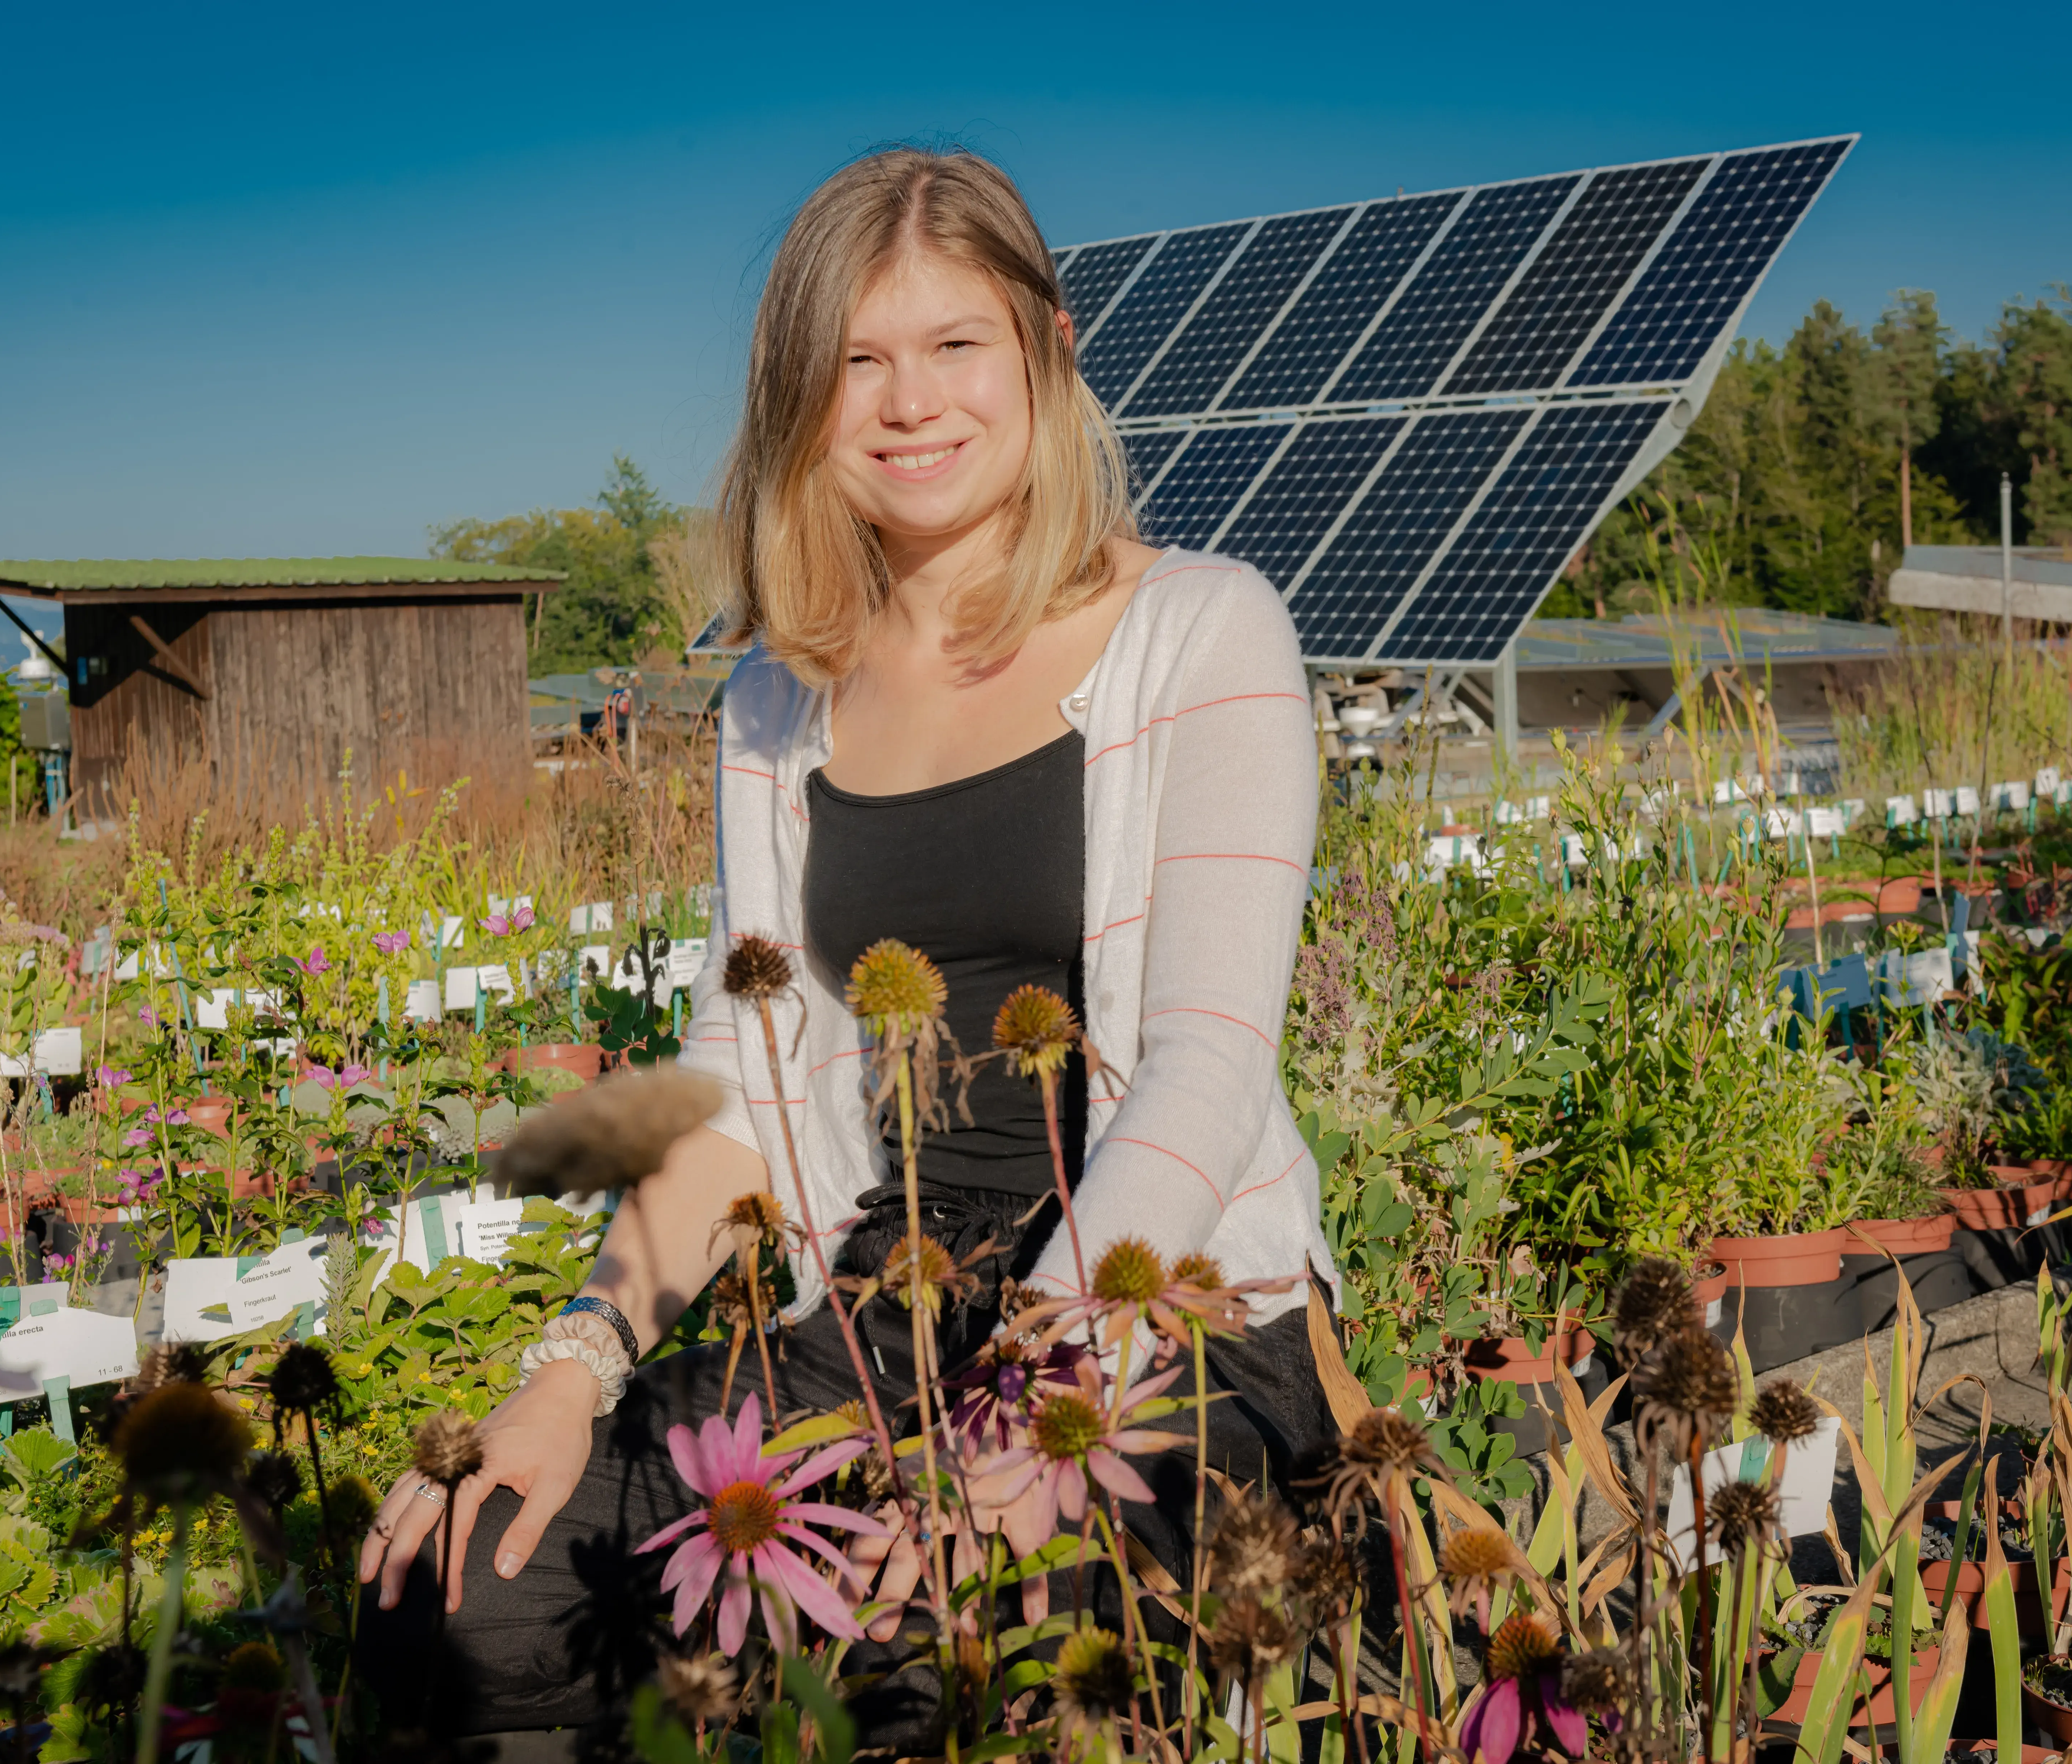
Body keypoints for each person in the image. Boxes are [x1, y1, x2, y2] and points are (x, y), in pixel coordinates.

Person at [356, 144, 1340, 1746]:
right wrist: (568, 1368)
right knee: (472, 1586)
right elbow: (740, 1086)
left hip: (1151, 1308)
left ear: (1048, 350)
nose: (909, 402)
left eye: (955, 344)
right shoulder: (776, 697)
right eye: (856, 363)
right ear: (799, 403)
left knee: (912, 1654)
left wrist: (1035, 1400)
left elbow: (1205, 1060)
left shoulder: (1204, 628)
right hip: (878, 1287)